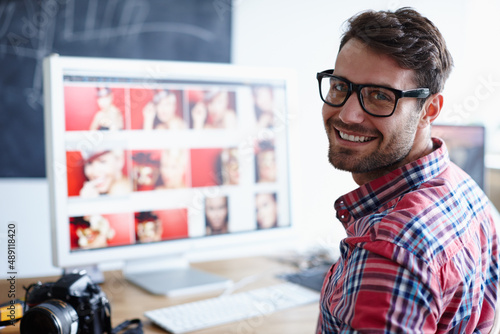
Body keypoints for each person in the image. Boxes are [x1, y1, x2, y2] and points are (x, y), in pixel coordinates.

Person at [316, 8, 499, 333]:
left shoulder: (390, 256)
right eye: (340, 86)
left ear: (429, 110)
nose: (348, 114)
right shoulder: (465, 190)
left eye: (379, 96)